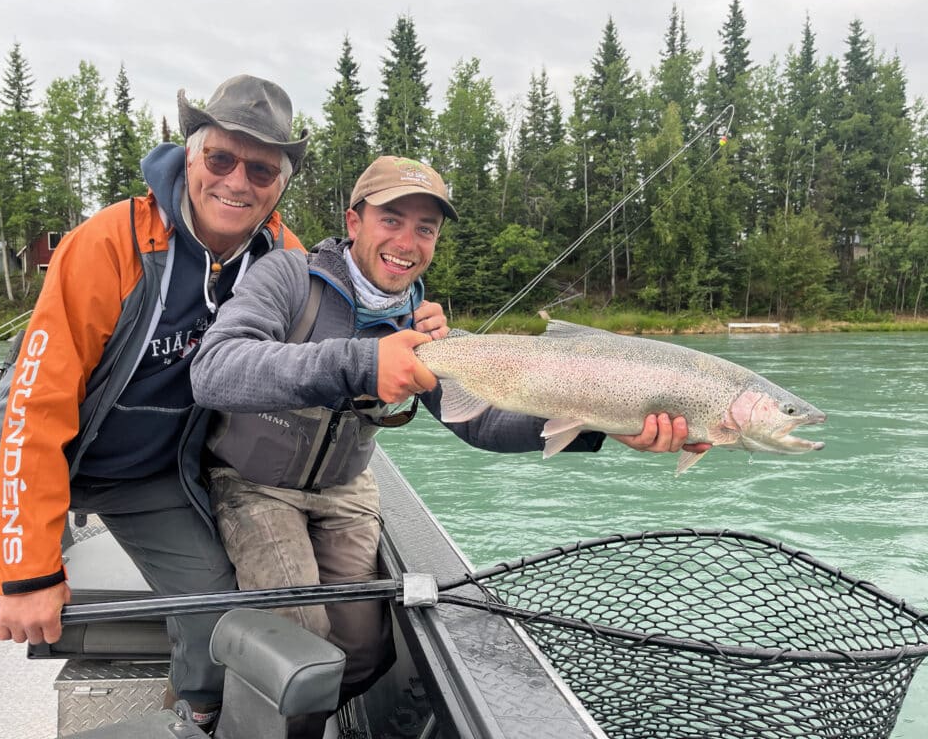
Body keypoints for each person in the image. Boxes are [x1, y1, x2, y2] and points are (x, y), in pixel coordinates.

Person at [190, 155, 710, 737]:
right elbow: (215, 370)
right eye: (391, 219)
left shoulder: (420, 315)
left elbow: (478, 424)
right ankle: (215, 709)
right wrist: (364, 361)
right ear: (354, 221)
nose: (407, 242)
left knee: (365, 653)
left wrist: (599, 424)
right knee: (301, 641)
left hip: (344, 490)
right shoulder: (287, 276)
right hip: (256, 485)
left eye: (425, 228)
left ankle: (302, 720)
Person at [0, 73, 311, 731]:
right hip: (27, 453)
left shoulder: (283, 262)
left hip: (150, 473)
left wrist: (412, 331)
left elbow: (344, 330)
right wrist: (30, 570)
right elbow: (37, 412)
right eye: (221, 158)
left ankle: (195, 717)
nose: (238, 180)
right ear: (188, 156)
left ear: (282, 183)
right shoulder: (105, 244)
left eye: (262, 168)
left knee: (215, 613)